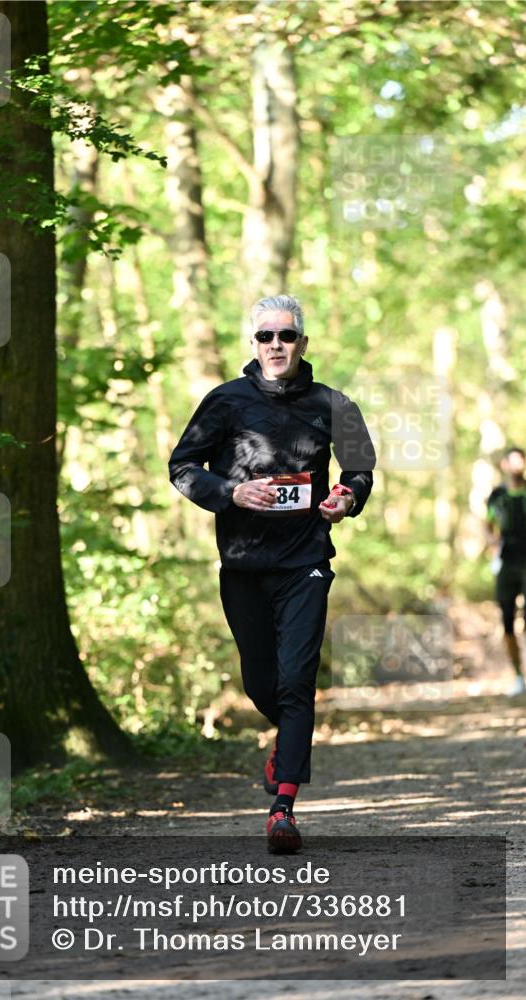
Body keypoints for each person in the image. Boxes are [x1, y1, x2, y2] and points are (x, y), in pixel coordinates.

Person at [169, 294, 375, 853]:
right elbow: (181, 466)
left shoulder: (336, 405)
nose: (277, 345)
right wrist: (230, 492)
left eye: (286, 335)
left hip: (306, 560)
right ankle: (284, 746)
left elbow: (359, 469)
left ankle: (282, 807)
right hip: (242, 565)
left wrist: (346, 500)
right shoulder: (224, 401)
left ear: (303, 343)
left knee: (296, 682)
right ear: (254, 344)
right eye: (266, 336)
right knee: (262, 683)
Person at [486, 446, 526, 696]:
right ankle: (518, 677)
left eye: (520, 460)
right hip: (507, 562)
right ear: (504, 465)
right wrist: (493, 545)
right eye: (512, 461)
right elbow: (488, 526)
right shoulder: (497, 496)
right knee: (507, 621)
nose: (516, 464)